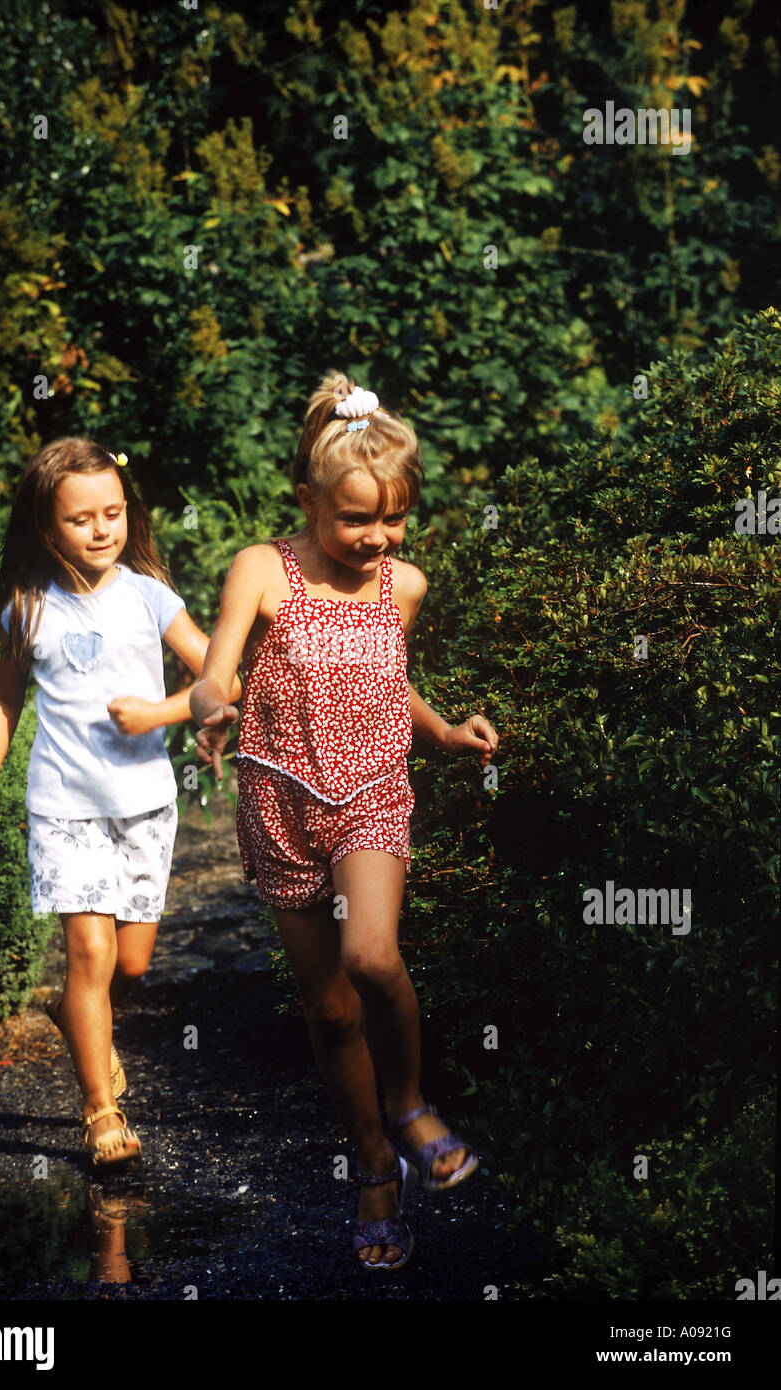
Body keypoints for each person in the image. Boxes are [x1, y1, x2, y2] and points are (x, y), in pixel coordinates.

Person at [189, 374, 499, 1269]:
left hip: (370, 790)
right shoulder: (263, 568)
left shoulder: (403, 584)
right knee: (328, 1008)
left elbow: (383, 680)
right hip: (279, 797)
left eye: (394, 519)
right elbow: (217, 670)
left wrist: (440, 729)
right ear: (308, 500)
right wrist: (211, 705)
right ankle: (373, 1166)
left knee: (372, 957)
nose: (378, 540)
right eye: (357, 520)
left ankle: (408, 1104)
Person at [0, 437, 239, 1168]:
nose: (103, 529)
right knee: (89, 951)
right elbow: (4, 697)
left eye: (113, 512)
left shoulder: (149, 595)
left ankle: (69, 1011)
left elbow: (219, 676)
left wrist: (167, 713)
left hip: (145, 802)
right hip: (64, 805)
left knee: (131, 965)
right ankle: (99, 1109)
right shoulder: (27, 607)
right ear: (48, 530)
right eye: (83, 519)